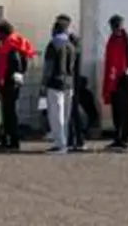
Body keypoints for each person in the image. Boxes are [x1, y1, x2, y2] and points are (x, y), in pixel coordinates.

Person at [0, 20, 34, 151]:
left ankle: (12, 140)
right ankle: (11, 139)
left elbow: (14, 64)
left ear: (2, 33)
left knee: (9, 113)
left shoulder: (10, 46)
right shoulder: (17, 43)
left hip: (9, 84)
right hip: (14, 83)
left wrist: (12, 77)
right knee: (10, 112)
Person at [41, 18, 77, 154]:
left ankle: (60, 144)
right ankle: (65, 142)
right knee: (66, 116)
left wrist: (44, 83)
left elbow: (48, 67)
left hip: (55, 83)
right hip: (69, 83)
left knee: (56, 115)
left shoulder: (53, 45)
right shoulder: (71, 45)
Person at [101, 15, 128, 151]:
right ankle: (118, 138)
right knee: (116, 111)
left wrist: (127, 76)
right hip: (113, 79)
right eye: (113, 26)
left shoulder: (127, 39)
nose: (115, 28)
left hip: (123, 79)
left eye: (117, 26)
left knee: (125, 111)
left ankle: (126, 140)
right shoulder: (112, 39)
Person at [55, 16, 89, 153]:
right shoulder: (73, 40)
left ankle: (78, 140)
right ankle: (72, 139)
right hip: (71, 80)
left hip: (71, 80)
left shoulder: (71, 41)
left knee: (72, 111)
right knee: (69, 111)